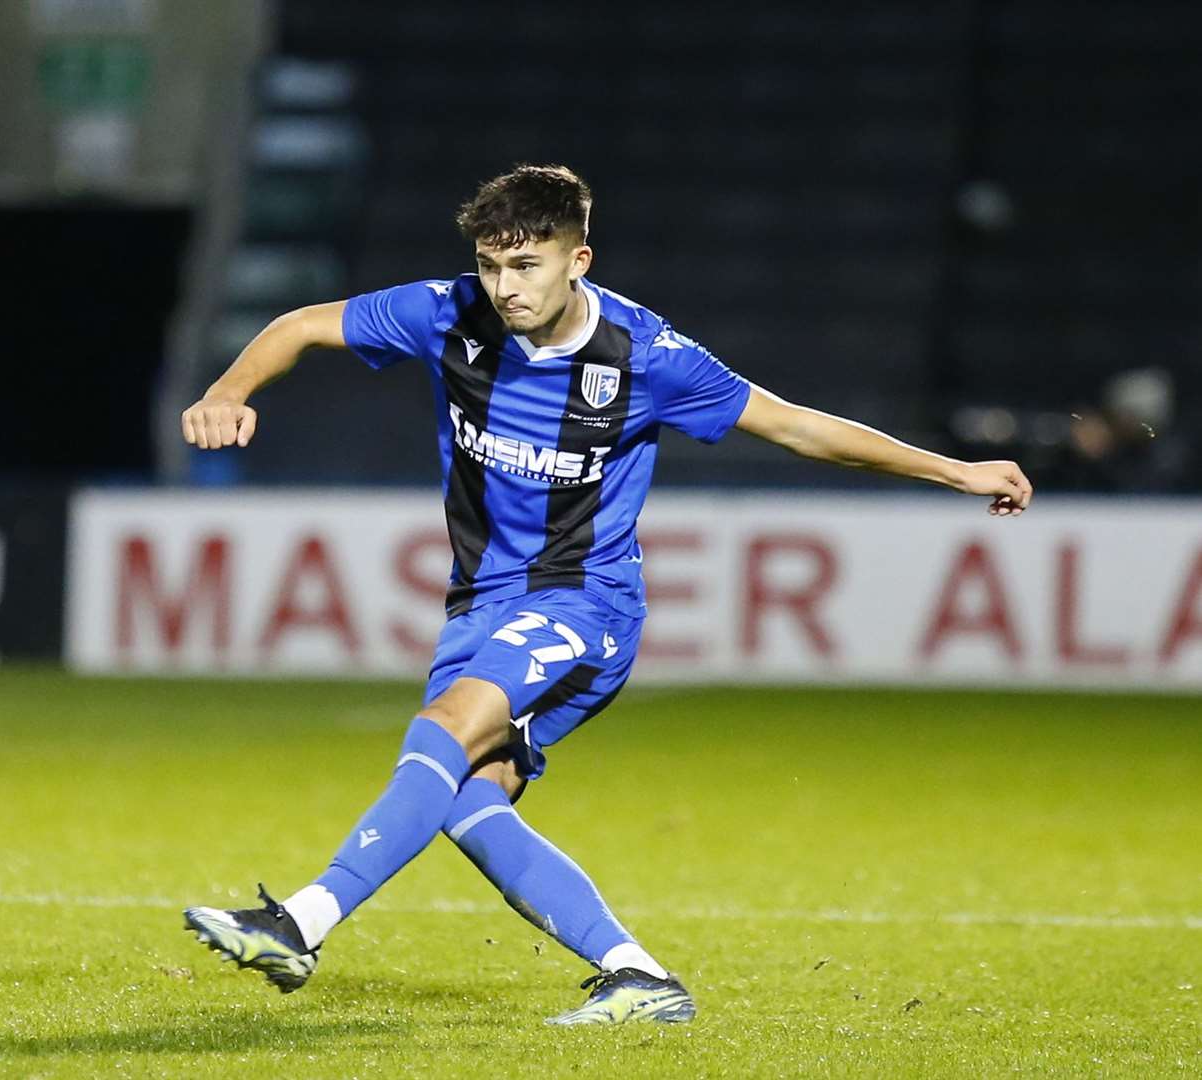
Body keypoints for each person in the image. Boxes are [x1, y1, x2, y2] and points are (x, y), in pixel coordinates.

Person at [178, 165, 1033, 1026]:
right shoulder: (447, 313)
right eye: (490, 266)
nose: (505, 289)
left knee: (440, 733)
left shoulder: (645, 357)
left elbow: (798, 426)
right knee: (464, 798)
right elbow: (299, 326)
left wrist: (952, 470)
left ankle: (299, 922)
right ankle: (639, 977)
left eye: (528, 268)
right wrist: (227, 391)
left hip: (586, 601)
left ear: (578, 259)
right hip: (478, 600)